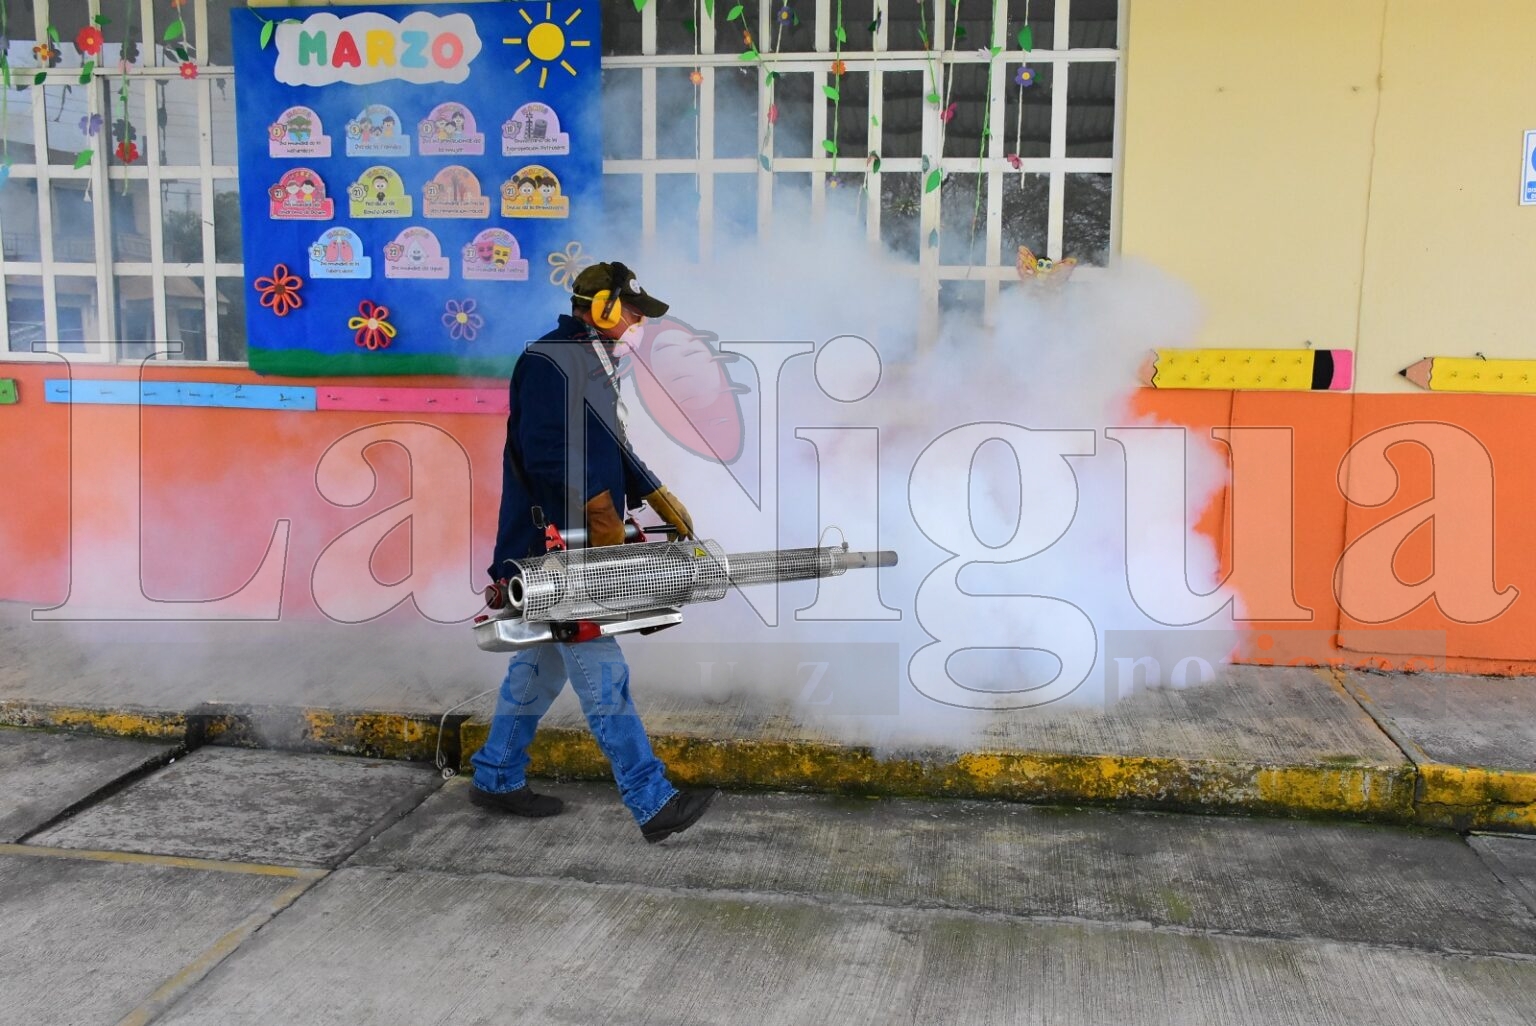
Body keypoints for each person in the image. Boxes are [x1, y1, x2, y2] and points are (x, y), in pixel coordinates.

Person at [468, 261, 719, 844]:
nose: (637, 322)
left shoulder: (594, 361)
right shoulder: (549, 361)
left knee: (543, 662)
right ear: (601, 307)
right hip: (559, 547)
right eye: (631, 311)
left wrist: (654, 494)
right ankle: (652, 800)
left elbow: (611, 445)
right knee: (602, 672)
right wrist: (594, 515)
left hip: (582, 536)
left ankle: (498, 773)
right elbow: (546, 456)